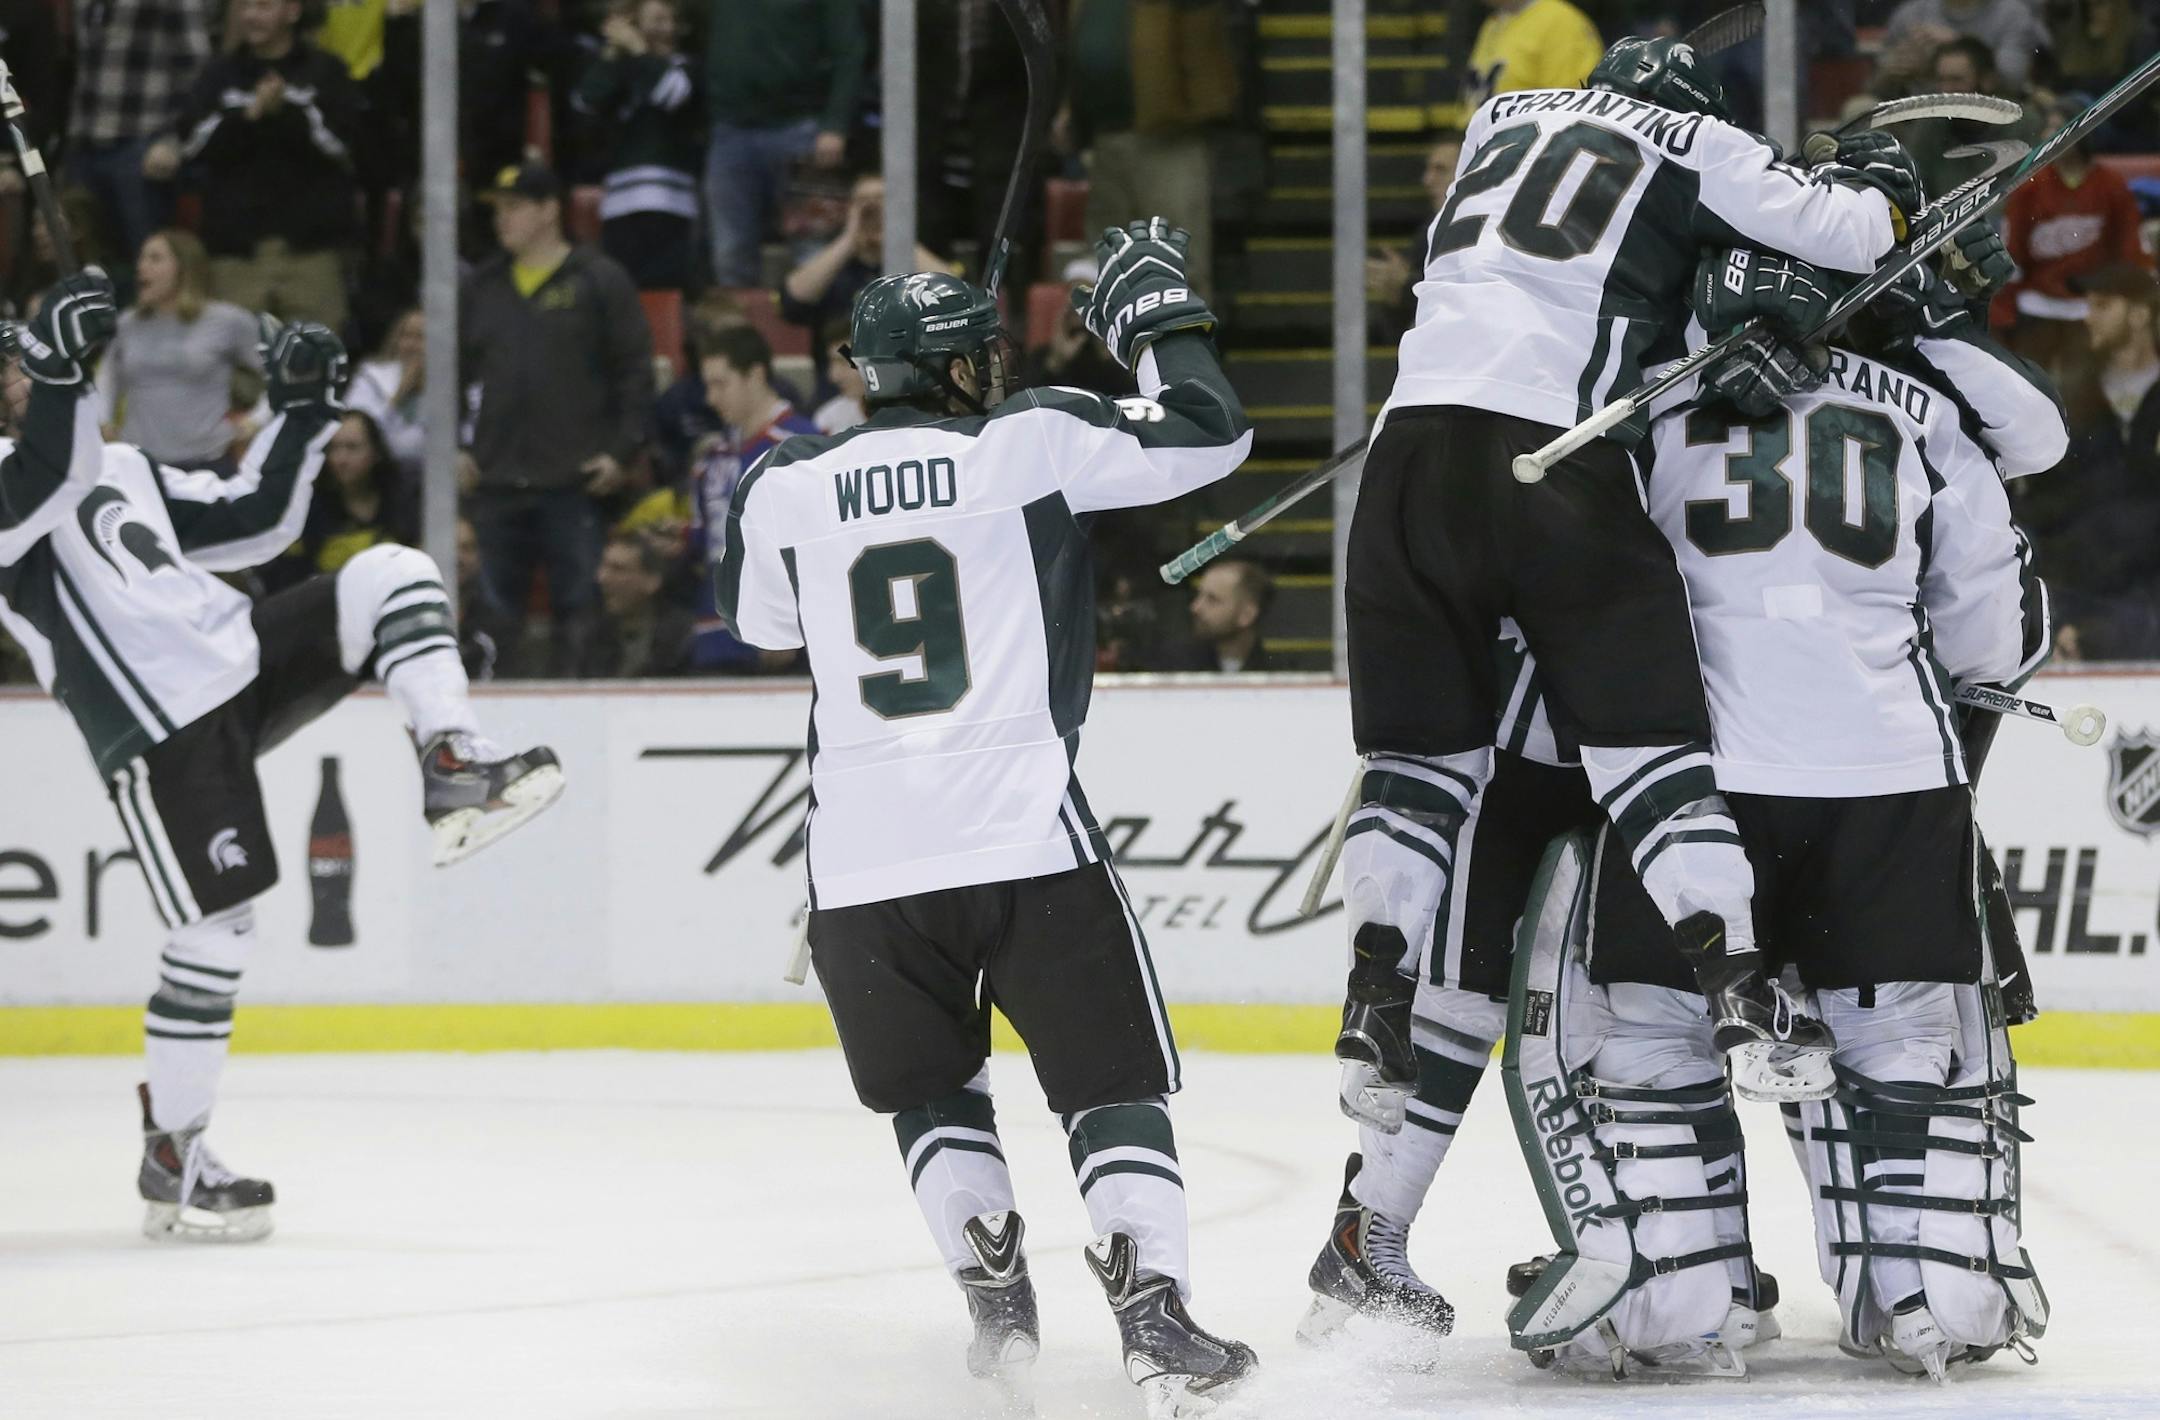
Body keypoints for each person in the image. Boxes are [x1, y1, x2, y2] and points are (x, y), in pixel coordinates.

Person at [1332, 35, 1921, 1152]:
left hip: (1407, 460)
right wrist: (1879, 186)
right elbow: (1844, 233)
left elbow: (1566, 265)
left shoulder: (1497, 120)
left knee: (1418, 764)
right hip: (1558, 462)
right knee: (1651, 752)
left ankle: (1374, 995)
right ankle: (1741, 992)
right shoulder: (1694, 139)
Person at [714, 226, 1258, 1414]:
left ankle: (996, 1309)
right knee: (1110, 1083)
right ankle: (1155, 1322)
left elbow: (759, 624)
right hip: (1019, 830)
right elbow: (1214, 429)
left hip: (858, 859)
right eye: (983, 357)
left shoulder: (782, 483)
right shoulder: (1031, 438)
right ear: (958, 370)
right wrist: (1157, 313)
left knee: (932, 1089)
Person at [1504, 243, 2054, 1379]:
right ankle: (1927, 1292)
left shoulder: (1638, 407)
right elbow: (1994, 635)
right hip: (1896, 775)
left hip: (1689, 782)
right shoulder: (1924, 411)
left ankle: (1679, 1302)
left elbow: (1568, 607)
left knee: (1655, 1037)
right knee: (1900, 1037)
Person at [0, 276, 563, 1242]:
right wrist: (62, 374)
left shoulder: (119, 463)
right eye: (12, 363)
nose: (17, 373)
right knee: (217, 933)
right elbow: (43, 475)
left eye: (21, 359)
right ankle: (174, 1154)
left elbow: (256, 517)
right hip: (158, 727)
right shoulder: (28, 472)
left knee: (391, 572)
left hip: (243, 655)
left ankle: (453, 760)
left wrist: (304, 412)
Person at [460, 161, 654, 675]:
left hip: (575, 481)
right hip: (497, 480)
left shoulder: (598, 281)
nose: (502, 220)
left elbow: (635, 372)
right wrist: (459, 448)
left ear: (550, 210)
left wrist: (620, 451)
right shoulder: (481, 287)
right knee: (493, 616)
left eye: (514, 207)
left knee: (584, 613)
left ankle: (587, 710)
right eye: (498, 209)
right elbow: (454, 375)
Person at [167, 0, 366, 331]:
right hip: (236, 253)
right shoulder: (219, 74)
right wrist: (249, 116)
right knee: (242, 371)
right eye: (244, 7)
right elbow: (191, 145)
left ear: (293, 11)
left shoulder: (326, 71)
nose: (251, 16)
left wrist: (286, 113)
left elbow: (344, 148)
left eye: (263, 6)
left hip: (310, 252)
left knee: (314, 363)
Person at [1062, 0, 1237, 298]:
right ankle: (1117, 344)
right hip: (1105, 138)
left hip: (1168, 140)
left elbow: (1204, 49)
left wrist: (1189, 109)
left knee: (1178, 268)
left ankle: (1183, 344)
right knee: (1107, 267)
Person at [701, 0, 868, 287]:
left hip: (801, 130)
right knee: (729, 253)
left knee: (813, 251)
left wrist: (835, 124)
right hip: (729, 130)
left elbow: (850, 52)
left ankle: (821, 329)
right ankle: (735, 330)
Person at [1994, 92, 2152, 383]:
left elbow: (2129, 246)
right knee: (2027, 383)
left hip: (2089, 306)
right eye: (2046, 128)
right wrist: (2003, 307)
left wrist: (2128, 294)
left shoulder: (2110, 184)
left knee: (2082, 389)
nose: (2048, 136)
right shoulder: (2029, 185)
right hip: (2037, 302)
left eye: (2058, 128)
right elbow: (2011, 252)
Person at [687, 324, 814, 670]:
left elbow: (819, 546)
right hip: (714, 637)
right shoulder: (712, 457)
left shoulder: (804, 447)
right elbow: (704, 545)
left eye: (720, 383)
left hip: (781, 645)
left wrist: (790, 620)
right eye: (707, 385)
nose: (710, 399)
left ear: (755, 375)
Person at [94, 230, 264, 475]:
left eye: (154, 259)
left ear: (184, 268)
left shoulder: (229, 321)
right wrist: (103, 420)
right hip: (140, 465)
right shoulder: (127, 324)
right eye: (141, 259)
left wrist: (256, 421)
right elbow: (107, 377)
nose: (141, 267)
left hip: (208, 465)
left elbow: (278, 374)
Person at [71, 0, 216, 274]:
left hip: (143, 146)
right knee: (81, 262)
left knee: (147, 263)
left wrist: (174, 140)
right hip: (84, 143)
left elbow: (200, 73)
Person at [574, 0, 705, 292]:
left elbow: (673, 94)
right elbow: (585, 102)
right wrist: (613, 53)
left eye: (674, 21)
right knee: (622, 294)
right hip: (620, 203)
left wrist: (637, 49)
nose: (668, 29)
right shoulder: (622, 65)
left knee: (665, 295)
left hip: (671, 204)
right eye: (658, 20)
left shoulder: (686, 65)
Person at [276, 410, 418, 582]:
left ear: (376, 452)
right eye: (334, 448)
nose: (340, 459)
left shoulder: (404, 499)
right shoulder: (308, 510)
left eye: (352, 447)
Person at [579, 530, 694, 677]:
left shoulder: (682, 637)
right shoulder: (587, 633)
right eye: (603, 567)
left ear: (652, 581)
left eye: (618, 569)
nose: (602, 578)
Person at [1463, 0, 1602, 112]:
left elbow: (1572, 108)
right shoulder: (1494, 22)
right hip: (1482, 137)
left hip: (1530, 140)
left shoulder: (1561, 22)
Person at [1885, 0, 2051, 91]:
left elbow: (2013, 77)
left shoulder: (2013, 13)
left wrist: (1959, 44)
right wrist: (1897, 68)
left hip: (1992, 112)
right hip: (1915, 106)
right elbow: (1878, 77)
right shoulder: (1912, 13)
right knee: (1863, 107)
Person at [343, 306, 427, 479]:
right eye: (406, 336)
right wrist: (400, 393)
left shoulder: (454, 384)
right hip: (380, 474)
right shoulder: (370, 376)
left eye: (420, 337)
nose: (411, 345)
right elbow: (357, 431)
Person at [1165, 560, 1272, 673]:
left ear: (1246, 615)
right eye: (1199, 595)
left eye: (1212, 599)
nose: (1195, 607)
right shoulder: (1171, 667)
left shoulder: (1278, 673)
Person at [812, 321, 867, 435]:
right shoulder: (828, 421)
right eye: (831, 362)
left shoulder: (911, 422)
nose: (834, 376)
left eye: (843, 362)